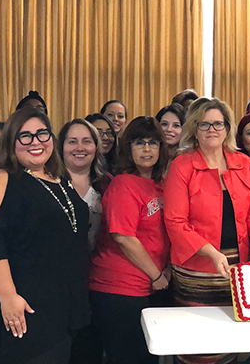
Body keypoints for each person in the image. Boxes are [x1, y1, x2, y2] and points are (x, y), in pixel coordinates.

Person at [164, 98, 250, 363]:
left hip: (236, 265)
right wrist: (212, 253)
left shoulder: (243, 163)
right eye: (204, 124)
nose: (212, 129)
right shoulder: (182, 165)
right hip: (197, 267)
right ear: (194, 128)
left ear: (227, 128)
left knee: (230, 341)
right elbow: (175, 221)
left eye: (218, 123)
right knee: (199, 345)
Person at [0, 107, 90, 364]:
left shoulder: (58, 178)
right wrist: (8, 297)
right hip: (24, 303)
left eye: (42, 134)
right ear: (12, 142)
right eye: (25, 136)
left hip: (61, 301)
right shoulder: (2, 178)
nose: (35, 142)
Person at [89, 116, 171, 364]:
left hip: (149, 285)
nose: (147, 149)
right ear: (127, 148)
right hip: (119, 288)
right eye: (139, 143)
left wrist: (164, 271)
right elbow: (123, 237)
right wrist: (157, 276)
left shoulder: (161, 184)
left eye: (153, 143)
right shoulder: (124, 184)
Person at [57, 119, 111, 252]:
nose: (80, 148)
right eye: (72, 141)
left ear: (96, 147)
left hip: (100, 265)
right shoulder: (49, 183)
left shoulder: (108, 184)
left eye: (87, 141)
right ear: (61, 147)